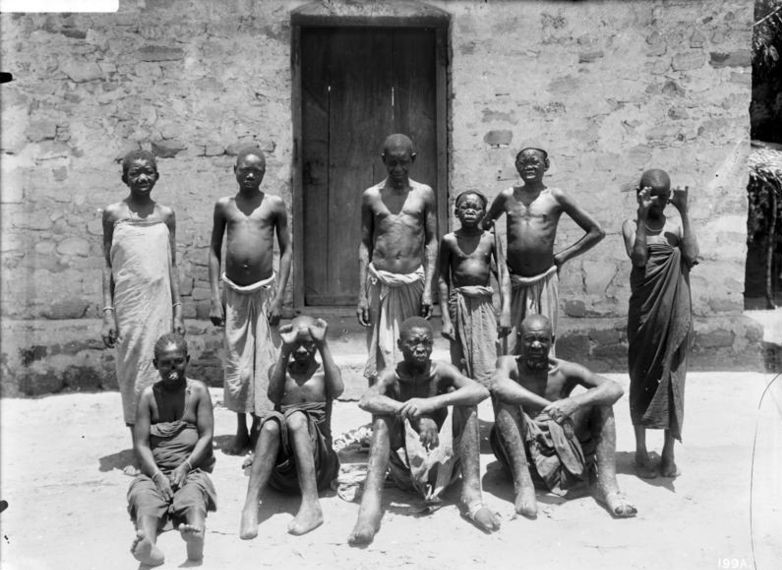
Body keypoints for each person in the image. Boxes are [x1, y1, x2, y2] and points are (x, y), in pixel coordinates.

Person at [348, 317, 501, 546]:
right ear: (400, 345)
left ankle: (473, 498)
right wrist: (414, 413)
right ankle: (369, 511)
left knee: (468, 408)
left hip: (445, 467)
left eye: (426, 343)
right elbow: (366, 400)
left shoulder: (442, 371)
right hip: (406, 473)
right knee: (381, 422)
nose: (421, 349)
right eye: (413, 343)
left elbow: (480, 390)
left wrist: (432, 403)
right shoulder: (391, 375)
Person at [491, 314, 637, 519]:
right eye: (529, 339)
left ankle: (609, 487)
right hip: (522, 441)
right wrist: (550, 406)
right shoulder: (508, 363)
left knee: (602, 402)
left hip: (560, 438)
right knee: (505, 403)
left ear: (552, 340)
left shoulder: (565, 369)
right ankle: (524, 486)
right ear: (520, 338)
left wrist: (573, 403)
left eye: (542, 340)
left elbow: (614, 388)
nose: (535, 345)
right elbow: (498, 386)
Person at [208, 145, 292, 455]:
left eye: (256, 170)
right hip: (234, 295)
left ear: (264, 173)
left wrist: (280, 297)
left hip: (265, 292)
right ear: (235, 171)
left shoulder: (273, 205)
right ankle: (241, 428)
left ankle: (261, 427)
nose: (250, 175)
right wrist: (215, 298)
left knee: (265, 363)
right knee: (238, 364)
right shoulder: (224, 207)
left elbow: (286, 251)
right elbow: (214, 251)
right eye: (245, 169)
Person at [482, 147, 605, 354]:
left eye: (534, 162)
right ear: (516, 167)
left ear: (546, 165)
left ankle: (544, 384)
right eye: (523, 162)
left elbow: (597, 231)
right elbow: (482, 231)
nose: (529, 166)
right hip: (514, 283)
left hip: (545, 280)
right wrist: (497, 269)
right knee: (511, 343)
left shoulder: (556, 196)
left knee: (543, 340)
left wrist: (563, 256)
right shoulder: (507, 196)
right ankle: (511, 383)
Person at [101, 149, 185, 448]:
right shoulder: (113, 214)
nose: (142, 177)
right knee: (132, 372)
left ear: (157, 175)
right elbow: (107, 266)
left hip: (160, 306)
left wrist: (178, 310)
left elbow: (172, 264)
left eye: (148, 171)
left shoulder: (166, 215)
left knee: (161, 368)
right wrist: (107, 313)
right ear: (125, 177)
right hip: (128, 308)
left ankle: (160, 440)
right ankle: (139, 446)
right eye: (135, 172)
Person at [621, 169, 698, 478]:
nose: (659, 201)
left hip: (676, 314)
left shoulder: (677, 225)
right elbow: (639, 258)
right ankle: (640, 450)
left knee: (673, 380)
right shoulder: (630, 225)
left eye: (664, 196)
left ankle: (668, 453)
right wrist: (641, 217)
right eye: (652, 194)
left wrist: (686, 213)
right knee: (641, 376)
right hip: (644, 316)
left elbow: (691, 255)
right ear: (640, 193)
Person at [239, 316, 343, 539]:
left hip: (319, 466)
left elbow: (338, 391)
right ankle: (249, 507)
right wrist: (284, 351)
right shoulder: (280, 372)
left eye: (309, 343)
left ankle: (312, 505)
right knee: (270, 424)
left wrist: (324, 344)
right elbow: (273, 396)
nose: (303, 350)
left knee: (295, 418)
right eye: (297, 344)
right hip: (285, 471)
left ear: (316, 344)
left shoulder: (325, 374)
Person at [127, 333, 216, 567]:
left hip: (190, 467)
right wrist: (156, 475)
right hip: (153, 471)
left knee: (194, 495)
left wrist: (186, 467)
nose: (172, 368)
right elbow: (141, 444)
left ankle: (195, 539)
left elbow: (206, 435)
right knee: (144, 499)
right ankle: (148, 546)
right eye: (165, 363)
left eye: (178, 361)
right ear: (156, 365)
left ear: (187, 360)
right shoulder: (148, 396)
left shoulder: (198, 391)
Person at [357, 134, 438, 383]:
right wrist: (361, 294)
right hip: (380, 283)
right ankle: (380, 415)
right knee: (379, 350)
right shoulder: (371, 196)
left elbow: (431, 242)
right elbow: (364, 245)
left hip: (413, 282)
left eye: (403, 162)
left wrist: (428, 291)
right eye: (392, 163)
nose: (398, 169)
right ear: (383, 160)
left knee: (416, 347)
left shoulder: (424, 194)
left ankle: (413, 406)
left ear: (412, 160)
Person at [438, 190, 510, 386]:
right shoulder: (449, 240)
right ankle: (467, 407)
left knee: (489, 354)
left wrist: (505, 312)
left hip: (484, 304)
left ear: (484, 213)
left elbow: (504, 276)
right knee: (461, 357)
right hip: (459, 304)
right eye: (465, 207)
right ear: (456, 212)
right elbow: (443, 279)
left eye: (476, 208)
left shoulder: (491, 239)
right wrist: (445, 319)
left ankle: (493, 398)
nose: (470, 210)